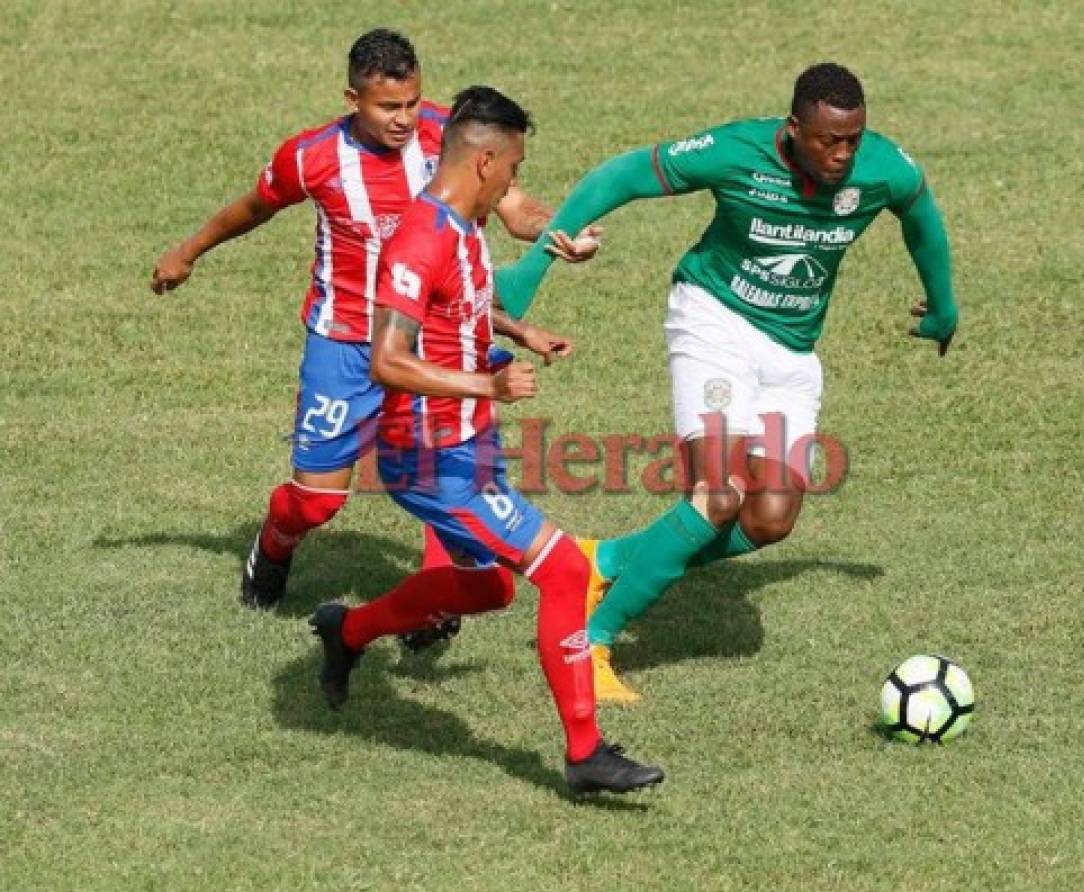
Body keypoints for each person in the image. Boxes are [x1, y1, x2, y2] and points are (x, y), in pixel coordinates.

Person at [496, 63, 959, 702]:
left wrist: (943, 306)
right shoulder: (736, 151)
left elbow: (920, 214)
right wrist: (531, 268)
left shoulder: (883, 168)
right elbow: (623, 175)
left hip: (792, 353)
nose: (843, 154)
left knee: (770, 518)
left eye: (853, 138)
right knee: (717, 496)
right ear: (794, 129)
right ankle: (591, 641)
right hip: (712, 324)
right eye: (828, 140)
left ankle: (608, 561)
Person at [149, 28, 600, 612]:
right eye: (389, 106)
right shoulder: (312, 158)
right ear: (352, 99)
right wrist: (188, 251)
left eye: (412, 102)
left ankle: (441, 601)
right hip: (345, 344)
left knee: (447, 469)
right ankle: (274, 544)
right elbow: (255, 206)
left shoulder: (446, 133)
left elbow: (514, 207)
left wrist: (561, 230)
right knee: (318, 502)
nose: (405, 119)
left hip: (427, 341)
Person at [308, 86, 664, 795]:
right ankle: (585, 754)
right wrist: (491, 388)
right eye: (513, 167)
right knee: (563, 572)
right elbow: (386, 358)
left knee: (489, 587)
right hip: (431, 455)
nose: (513, 184)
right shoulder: (420, 237)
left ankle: (346, 632)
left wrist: (517, 330)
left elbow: (461, 305)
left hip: (464, 445)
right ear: (486, 159)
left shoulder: (462, 225)